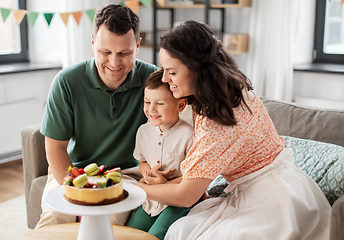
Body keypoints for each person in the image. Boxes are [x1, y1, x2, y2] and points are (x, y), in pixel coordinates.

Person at [137, 20, 331, 239]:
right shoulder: (229, 89)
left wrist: (134, 189)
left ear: (196, 69)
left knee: (185, 233)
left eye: (171, 72)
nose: (164, 79)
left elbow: (186, 196)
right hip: (281, 184)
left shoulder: (218, 120)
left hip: (271, 199)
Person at [36, 4, 157, 228]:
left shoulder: (153, 80)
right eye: (105, 52)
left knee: (106, 224)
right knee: (53, 222)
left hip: (126, 175)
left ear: (137, 46)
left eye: (124, 53)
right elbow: (55, 148)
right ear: (93, 43)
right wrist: (78, 192)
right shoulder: (66, 82)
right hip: (72, 171)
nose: (114, 63)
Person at [125, 68, 194, 240]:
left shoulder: (189, 135)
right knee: (129, 232)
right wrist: (150, 175)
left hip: (177, 201)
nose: (151, 109)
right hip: (152, 200)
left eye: (159, 103)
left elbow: (193, 176)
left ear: (180, 105)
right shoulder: (143, 131)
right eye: (147, 102)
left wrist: (164, 184)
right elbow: (142, 161)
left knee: (155, 235)